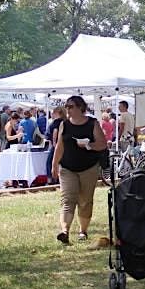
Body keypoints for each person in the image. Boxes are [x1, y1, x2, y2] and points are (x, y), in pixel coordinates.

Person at [51, 96, 106, 243]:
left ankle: (83, 231)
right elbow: (60, 146)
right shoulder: (64, 124)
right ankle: (65, 231)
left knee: (85, 201)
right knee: (67, 200)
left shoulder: (92, 123)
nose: (67, 109)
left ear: (80, 107)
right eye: (66, 107)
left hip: (89, 168)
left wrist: (88, 145)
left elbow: (102, 144)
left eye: (71, 106)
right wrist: (54, 164)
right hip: (67, 168)